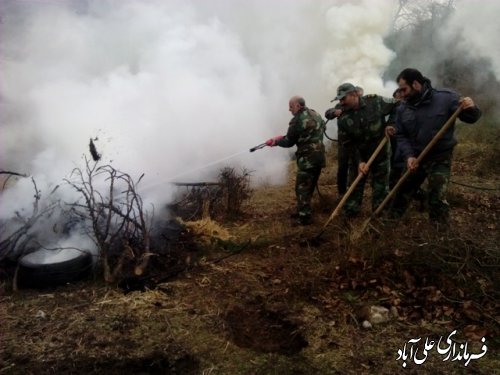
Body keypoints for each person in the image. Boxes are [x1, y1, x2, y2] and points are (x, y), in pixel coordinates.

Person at [389, 68, 481, 226]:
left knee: (436, 198)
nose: (402, 94)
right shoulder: (403, 109)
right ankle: (387, 227)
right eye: (400, 90)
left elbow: (471, 118)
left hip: (440, 158)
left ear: (416, 84)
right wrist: (409, 156)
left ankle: (439, 237)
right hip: (416, 158)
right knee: (401, 192)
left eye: (404, 89)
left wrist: (471, 107)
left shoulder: (446, 98)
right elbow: (402, 135)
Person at [333, 83, 398, 219]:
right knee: (354, 187)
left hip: (380, 154)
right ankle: (350, 216)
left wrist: (391, 124)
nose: (341, 102)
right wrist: (359, 162)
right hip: (359, 155)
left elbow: (397, 105)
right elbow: (347, 143)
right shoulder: (343, 118)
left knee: (380, 187)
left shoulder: (375, 102)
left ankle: (379, 216)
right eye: (339, 100)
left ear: (354, 95)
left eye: (343, 98)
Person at [266, 96, 326, 225]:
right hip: (319, 157)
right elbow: (321, 129)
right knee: (310, 185)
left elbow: (289, 142)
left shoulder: (297, 120)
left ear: (298, 105)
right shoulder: (316, 114)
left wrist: (275, 142)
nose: (289, 109)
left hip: (307, 159)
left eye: (291, 106)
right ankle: (302, 210)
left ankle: (304, 218)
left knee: (302, 188)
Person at [324, 86, 363, 197]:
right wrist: (334, 112)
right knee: (342, 167)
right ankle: (342, 192)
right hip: (344, 144)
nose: (342, 102)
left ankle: (354, 193)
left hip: (357, 144)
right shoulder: (341, 105)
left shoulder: (361, 107)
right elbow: (327, 113)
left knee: (356, 166)